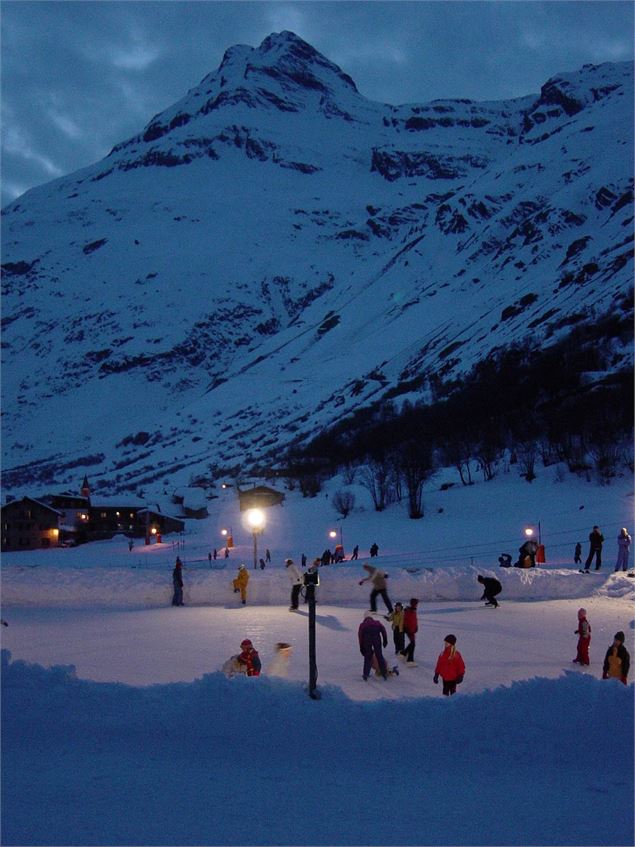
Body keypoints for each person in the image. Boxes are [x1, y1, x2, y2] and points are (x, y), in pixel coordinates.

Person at [358, 612, 388, 681]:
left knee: (368, 656)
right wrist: (385, 639)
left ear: (365, 618)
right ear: (371, 617)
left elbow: (360, 636)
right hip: (376, 639)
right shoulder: (377, 623)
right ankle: (384, 673)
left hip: (367, 640)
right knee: (379, 655)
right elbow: (383, 630)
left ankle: (365, 675)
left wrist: (361, 647)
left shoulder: (362, 625)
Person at [400, 598, 419, 665]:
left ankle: (404, 653)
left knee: (412, 643)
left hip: (412, 629)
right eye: (416, 604)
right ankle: (410, 660)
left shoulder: (413, 611)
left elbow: (414, 620)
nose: (417, 605)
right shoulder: (408, 611)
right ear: (414, 604)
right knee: (413, 644)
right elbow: (406, 621)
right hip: (409, 630)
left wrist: (416, 626)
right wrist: (407, 629)